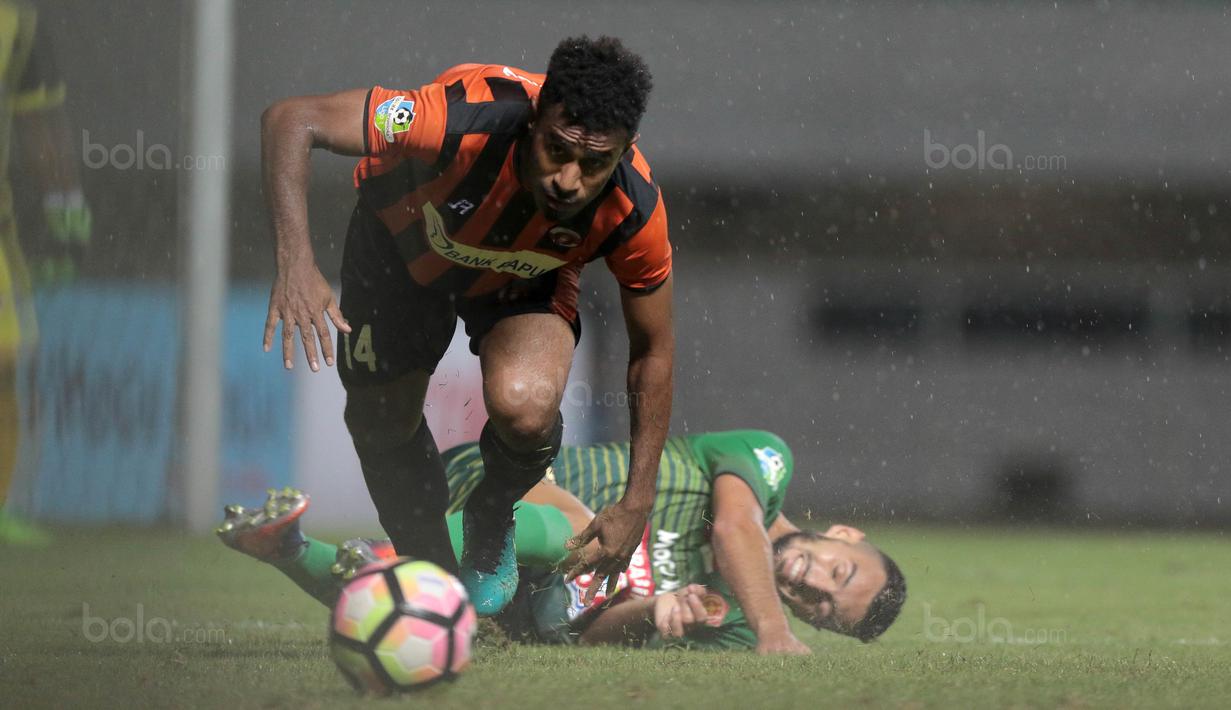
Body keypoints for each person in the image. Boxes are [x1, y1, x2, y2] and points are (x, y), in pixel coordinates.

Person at [259, 36, 673, 616]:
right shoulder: (457, 116)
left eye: (595, 163)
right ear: (535, 122)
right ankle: (437, 586)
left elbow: (652, 351)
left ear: (624, 150)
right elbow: (291, 119)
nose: (569, 180)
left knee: (526, 407)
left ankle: (491, 510)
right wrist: (297, 262)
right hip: (398, 253)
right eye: (557, 150)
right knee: (382, 422)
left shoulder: (635, 207)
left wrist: (638, 499)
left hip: (521, 281)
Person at [219, 431, 907, 651]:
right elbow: (734, 527)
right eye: (839, 575)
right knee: (583, 530)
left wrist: (654, 614)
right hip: (501, 488)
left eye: (821, 611)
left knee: (434, 623)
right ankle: (386, 558)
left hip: (543, 601)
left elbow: (593, 632)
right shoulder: (766, 461)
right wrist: (774, 634)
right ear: (844, 535)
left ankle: (293, 549)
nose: (812, 588)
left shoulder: (731, 626)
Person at [0, 1, 91, 545]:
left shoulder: (17, 19)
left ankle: (0, 507)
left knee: (6, 366)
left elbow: (40, 119)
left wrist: (66, 210)